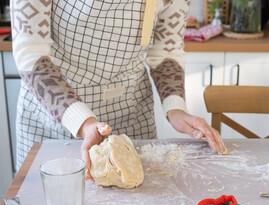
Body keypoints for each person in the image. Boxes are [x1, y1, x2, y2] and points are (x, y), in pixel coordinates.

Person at [11, 0, 227, 179]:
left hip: (131, 115)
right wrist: (83, 122)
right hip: (55, 120)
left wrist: (176, 107)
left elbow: (166, 51)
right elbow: (31, 53)